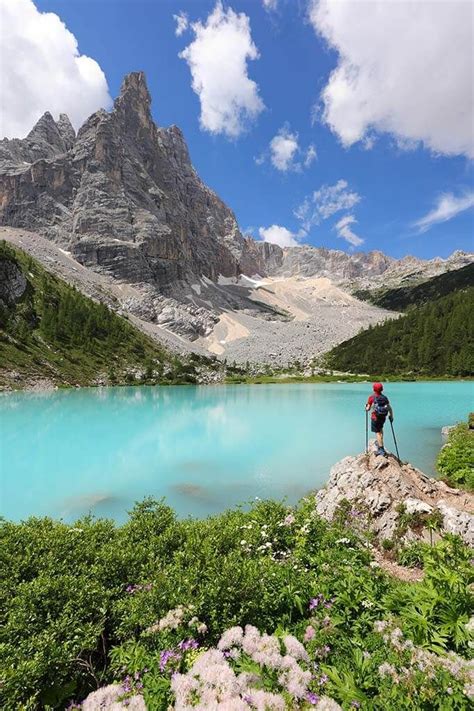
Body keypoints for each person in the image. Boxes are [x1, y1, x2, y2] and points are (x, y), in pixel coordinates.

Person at [365, 382, 393, 456]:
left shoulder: (371, 397)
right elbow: (389, 407)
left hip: (375, 417)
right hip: (383, 417)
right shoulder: (384, 398)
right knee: (380, 429)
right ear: (382, 389)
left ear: (373, 389)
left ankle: (381, 450)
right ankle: (380, 442)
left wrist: (366, 408)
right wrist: (391, 416)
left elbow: (368, 408)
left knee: (377, 432)